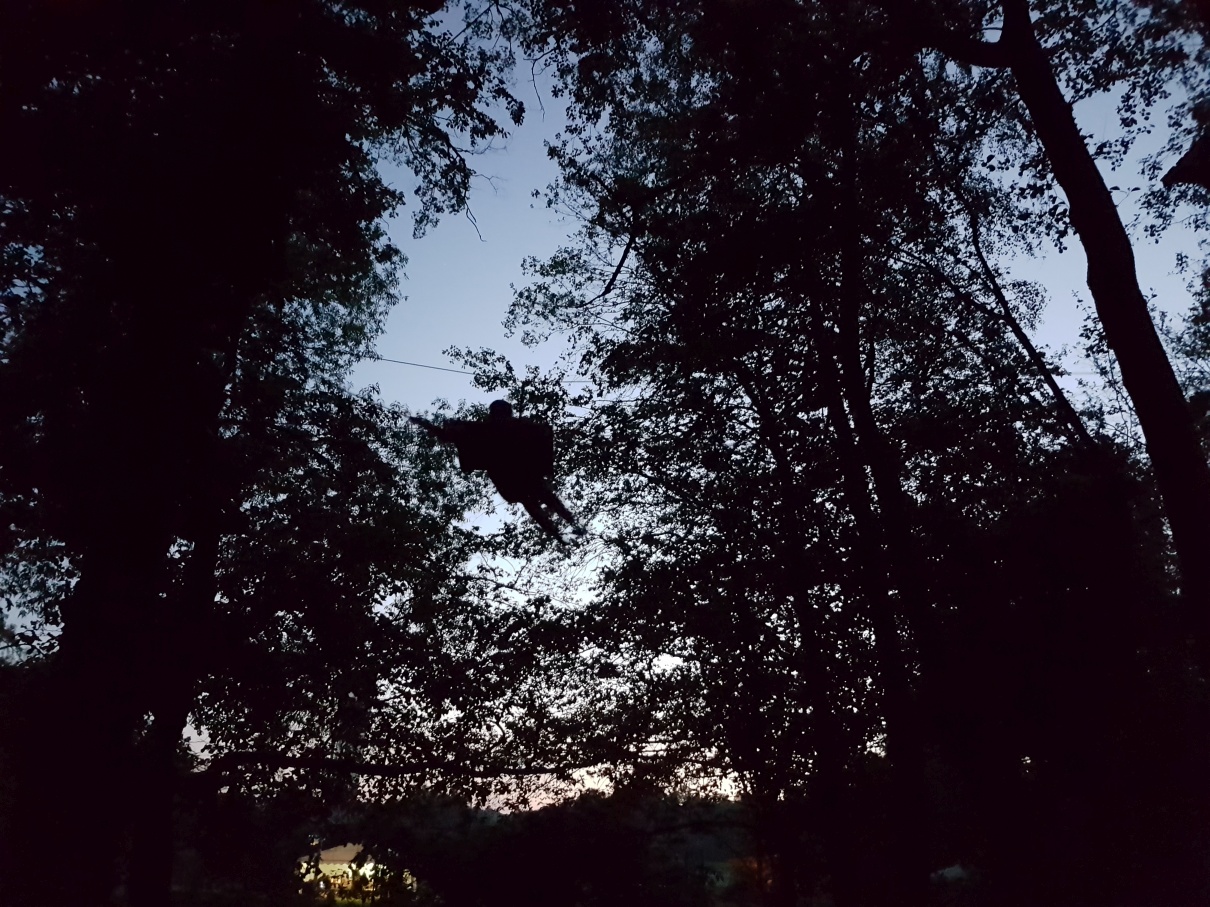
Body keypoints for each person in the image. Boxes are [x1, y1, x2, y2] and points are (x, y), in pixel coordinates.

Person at [410, 400, 585, 540]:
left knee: (537, 498)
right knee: (537, 498)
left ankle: (564, 526)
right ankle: (561, 527)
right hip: (512, 477)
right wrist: (425, 424)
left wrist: (425, 424)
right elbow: (449, 434)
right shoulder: (487, 429)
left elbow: (542, 434)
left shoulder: (500, 428)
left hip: (517, 475)